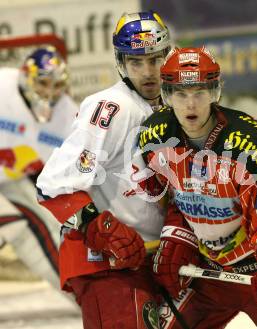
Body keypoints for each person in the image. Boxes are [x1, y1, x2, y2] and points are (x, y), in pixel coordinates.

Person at [137, 47, 257, 329]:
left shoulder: (247, 142)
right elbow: (170, 196)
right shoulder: (155, 135)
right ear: (167, 94)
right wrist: (177, 236)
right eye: (180, 94)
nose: (190, 105)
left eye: (199, 93)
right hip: (209, 270)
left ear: (215, 92)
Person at [36, 11, 172, 329]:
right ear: (121, 62)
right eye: (137, 62)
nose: (149, 72)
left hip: (149, 260)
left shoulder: (172, 107)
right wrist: (100, 227)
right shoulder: (112, 107)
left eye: (155, 59)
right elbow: (53, 185)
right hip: (104, 264)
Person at [0, 46, 77, 290]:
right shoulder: (3, 87)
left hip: (11, 181)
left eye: (57, 86)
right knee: (12, 225)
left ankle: (82, 295)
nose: (50, 93)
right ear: (26, 77)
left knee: (57, 229)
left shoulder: (67, 114)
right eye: (43, 83)